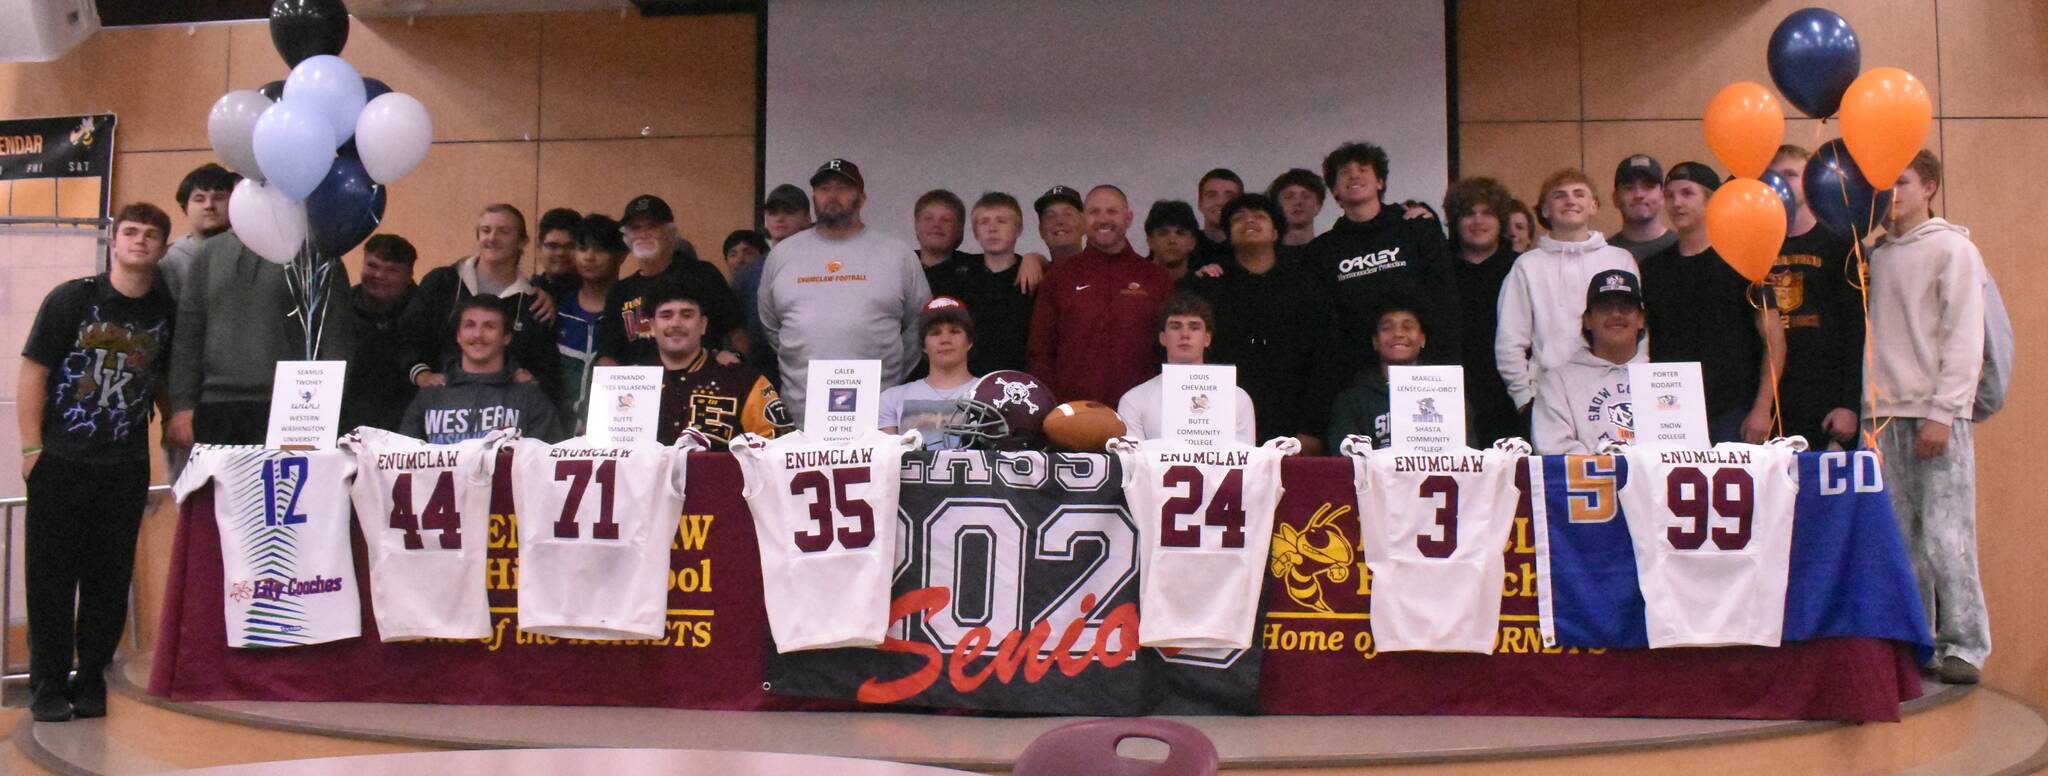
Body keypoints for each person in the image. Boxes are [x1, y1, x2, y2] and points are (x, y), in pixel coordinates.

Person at [17, 203, 176, 722]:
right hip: (61, 460)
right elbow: (34, 371)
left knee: (108, 583)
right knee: (51, 581)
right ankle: (45, 687)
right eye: (131, 231)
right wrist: (29, 448)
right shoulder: (72, 299)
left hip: (124, 467)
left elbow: (164, 382)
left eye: (151, 235)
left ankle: (91, 683)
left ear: (162, 248)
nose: (140, 241)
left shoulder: (165, 311)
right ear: (113, 240)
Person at [1865, 149, 1989, 685]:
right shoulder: (1877, 256)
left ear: (1930, 187)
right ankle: (1916, 638)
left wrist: (1944, 411)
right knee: (1899, 538)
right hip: (1885, 413)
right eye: (1885, 184)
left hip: (1937, 413)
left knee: (1945, 533)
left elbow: (1966, 337)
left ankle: (1965, 643)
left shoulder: (1953, 249)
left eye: (1903, 181)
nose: (1893, 192)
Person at [758, 158, 930, 424]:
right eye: (824, 188)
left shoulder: (898, 255)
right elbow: (771, 327)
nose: (832, 195)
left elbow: (919, 327)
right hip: (800, 414)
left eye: (842, 188)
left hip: (878, 415)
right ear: (814, 196)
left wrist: (888, 376)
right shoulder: (782, 256)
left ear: (861, 197)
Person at [167, 222, 356, 449]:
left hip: (292, 408)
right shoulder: (210, 252)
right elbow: (189, 334)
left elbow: (336, 337)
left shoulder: (316, 254)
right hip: (215, 403)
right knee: (220, 485)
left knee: (285, 485)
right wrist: (182, 405)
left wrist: (327, 407)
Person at [1640, 162, 1784, 444]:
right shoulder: (1653, 269)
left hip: (1734, 410)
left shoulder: (1743, 262)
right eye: (1669, 195)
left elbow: (1774, 339)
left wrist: (1762, 408)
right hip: (1671, 412)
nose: (1676, 203)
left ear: (1711, 200)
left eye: (1686, 193)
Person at [1183, 193, 1332, 453]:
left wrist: (1312, 429)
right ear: (1229, 234)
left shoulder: (1307, 286)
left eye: (1259, 216)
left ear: (1275, 232)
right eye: (1239, 217)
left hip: (1293, 424)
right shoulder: (1206, 288)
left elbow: (1325, 358)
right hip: (1218, 424)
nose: (1249, 220)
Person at [1306, 141, 1461, 376]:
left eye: (1363, 169)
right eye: (1345, 173)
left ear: (1379, 182)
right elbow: (1327, 323)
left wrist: (1440, 364)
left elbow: (1443, 298)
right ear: (1335, 190)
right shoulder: (1322, 250)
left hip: (1423, 367)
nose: (1354, 176)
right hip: (1356, 375)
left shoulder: (1417, 228)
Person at [1494, 168, 1637, 421]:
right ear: (1545, 210)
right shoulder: (1527, 266)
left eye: (1579, 194)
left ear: (1593, 205)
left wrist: (1635, 386)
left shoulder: (1620, 259)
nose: (1570, 200)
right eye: (1560, 195)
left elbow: (1638, 330)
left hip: (1614, 394)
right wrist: (1524, 399)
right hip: (1548, 397)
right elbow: (1509, 341)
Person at [397, 204, 562, 403]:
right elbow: (408, 335)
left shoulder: (534, 303)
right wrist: (420, 374)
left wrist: (531, 383)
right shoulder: (442, 282)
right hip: (439, 409)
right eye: (486, 230)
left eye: (504, 232)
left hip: (505, 416)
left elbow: (546, 368)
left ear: (522, 242)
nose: (492, 238)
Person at [1029, 185, 1173, 405]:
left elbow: (1171, 350)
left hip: (1142, 416)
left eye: (1112, 211)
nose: (1103, 219)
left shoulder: (1156, 278)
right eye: (1095, 212)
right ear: (1084, 219)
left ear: (1128, 217)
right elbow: (1040, 353)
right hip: (1075, 416)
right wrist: (1056, 407)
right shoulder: (1059, 277)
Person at [1766, 144, 1863, 449]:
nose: (1780, 182)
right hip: (1772, 399)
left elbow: (1856, 327)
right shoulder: (1758, 242)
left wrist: (1850, 404)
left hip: (1826, 396)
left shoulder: (1839, 242)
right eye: (1773, 176)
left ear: (1810, 181)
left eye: (1790, 174)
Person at [596, 194, 744, 368]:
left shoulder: (703, 275)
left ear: (670, 233)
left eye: (652, 226)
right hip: (639, 391)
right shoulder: (620, 291)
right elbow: (607, 355)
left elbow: (738, 333)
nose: (643, 235)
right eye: (635, 228)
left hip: (700, 385)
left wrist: (737, 362)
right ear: (627, 237)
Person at [399, 297, 562, 444]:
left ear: (507, 337)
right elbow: (402, 460)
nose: (478, 334)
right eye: (469, 325)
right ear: (458, 335)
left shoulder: (530, 398)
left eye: (489, 326)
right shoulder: (430, 396)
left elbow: (546, 466)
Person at [640, 282, 781, 449]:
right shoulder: (631, 384)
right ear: (652, 326)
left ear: (703, 324)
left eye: (686, 315)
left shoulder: (745, 382)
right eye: (666, 315)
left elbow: (781, 451)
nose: (676, 323)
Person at [1441, 176, 1522, 445]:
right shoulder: (1439, 271)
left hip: (1510, 394)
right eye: (1468, 214)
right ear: (1455, 221)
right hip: (1452, 394)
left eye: (1487, 213)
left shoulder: (1521, 268)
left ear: (1501, 221)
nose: (1478, 221)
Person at [1532, 270, 1648, 454]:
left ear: (1641, 319)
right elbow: (1553, 448)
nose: (1616, 314)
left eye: (1625, 306)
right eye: (1605, 307)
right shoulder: (1557, 382)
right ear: (1587, 320)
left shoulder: (1665, 376)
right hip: (1592, 482)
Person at [1116, 292, 1255, 444]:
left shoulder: (1238, 399)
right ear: (1162, 337)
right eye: (1175, 327)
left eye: (1194, 327)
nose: (1185, 334)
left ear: (1207, 338)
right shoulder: (1134, 400)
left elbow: (1247, 462)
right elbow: (1134, 464)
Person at [930, 192, 1035, 374]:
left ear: (1019, 229)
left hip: (1018, 383)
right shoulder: (956, 274)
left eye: (1001, 221)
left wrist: (1037, 259)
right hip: (963, 385)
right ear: (975, 232)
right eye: (984, 222)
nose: (992, 228)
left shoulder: (1032, 277)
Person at [341, 235, 421, 433]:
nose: (379, 275)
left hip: (406, 427)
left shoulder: (425, 311)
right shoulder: (340, 307)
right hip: (348, 425)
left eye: (391, 270)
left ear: (409, 274)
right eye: (372, 265)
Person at [557, 213, 629, 428]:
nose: (589, 257)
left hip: (613, 432)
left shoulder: (631, 314)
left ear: (622, 255)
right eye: (582, 248)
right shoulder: (557, 309)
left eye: (600, 249)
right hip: (555, 435)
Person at [881, 298, 980, 449]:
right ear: (923, 345)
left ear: (970, 341)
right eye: (935, 333)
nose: (945, 339)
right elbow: (887, 462)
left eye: (955, 331)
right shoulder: (891, 399)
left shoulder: (993, 393)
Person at [1326, 301, 1427, 450]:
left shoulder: (1447, 395)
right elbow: (1346, 462)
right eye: (1387, 328)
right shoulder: (1351, 401)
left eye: (1408, 327)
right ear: (1375, 342)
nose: (1398, 334)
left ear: (1422, 339)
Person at [158, 163, 238, 301]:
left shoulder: (253, 251)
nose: (209, 206)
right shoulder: (170, 259)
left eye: (219, 197)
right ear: (185, 207)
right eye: (199, 199)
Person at [1607, 154, 1675, 262]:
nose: (1639, 194)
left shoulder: (1685, 249)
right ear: (1615, 199)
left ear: (1662, 195)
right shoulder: (1603, 254)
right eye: (1629, 188)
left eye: (1648, 187)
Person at [913, 189, 972, 298]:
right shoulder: (901, 265)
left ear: (959, 229)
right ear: (916, 226)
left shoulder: (975, 268)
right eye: (928, 218)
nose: (936, 225)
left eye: (946, 220)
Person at [1192, 168, 1243, 272]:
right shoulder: (1186, 247)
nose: (1221, 202)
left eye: (1230, 196)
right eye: (1212, 195)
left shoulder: (1250, 248)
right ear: (1200, 203)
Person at [531, 207, 582, 301]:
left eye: (570, 246)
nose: (561, 253)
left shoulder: (594, 297)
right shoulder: (526, 295)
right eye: (553, 245)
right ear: (539, 248)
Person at [1143, 200, 1202, 282]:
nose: (1172, 240)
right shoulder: (1133, 279)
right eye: (1163, 233)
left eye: (1180, 233)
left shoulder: (1206, 285)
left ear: (1192, 242)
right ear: (1150, 241)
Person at [1269, 167, 1327, 247]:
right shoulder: (1266, 256)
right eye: (1289, 197)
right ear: (1276, 206)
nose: (1298, 202)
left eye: (1306, 196)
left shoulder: (1330, 252)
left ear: (1318, 206)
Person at [1034, 185, 1086, 260]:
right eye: (1050, 216)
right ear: (1041, 230)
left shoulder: (1105, 268)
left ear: (1084, 224)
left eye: (1068, 214)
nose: (1059, 221)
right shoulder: (1030, 270)